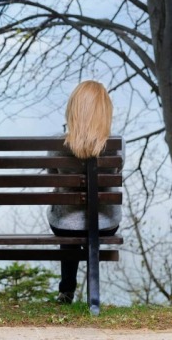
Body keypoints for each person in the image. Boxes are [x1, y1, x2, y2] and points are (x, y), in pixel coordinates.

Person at [47, 80, 123, 304]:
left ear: (73, 110)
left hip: (64, 224)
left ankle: (66, 290)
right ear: (104, 111)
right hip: (105, 224)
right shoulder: (117, 144)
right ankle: (94, 293)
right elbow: (117, 171)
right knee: (83, 224)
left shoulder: (56, 144)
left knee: (68, 224)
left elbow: (52, 175)